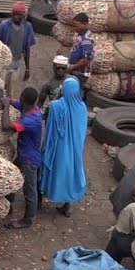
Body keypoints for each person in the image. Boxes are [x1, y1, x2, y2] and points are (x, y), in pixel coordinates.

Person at [40, 77, 87, 217]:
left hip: (58, 146)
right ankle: (67, 206)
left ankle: (39, 200)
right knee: (70, 172)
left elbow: (48, 125)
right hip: (75, 148)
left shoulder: (56, 106)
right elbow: (82, 130)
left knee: (51, 169)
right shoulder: (82, 108)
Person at [6, 87, 44, 230]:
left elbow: (6, 126)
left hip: (29, 160)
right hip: (24, 155)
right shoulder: (31, 108)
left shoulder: (31, 120)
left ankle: (28, 219)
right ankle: (9, 202)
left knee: (29, 190)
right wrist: (8, 100)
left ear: (25, 100)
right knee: (11, 174)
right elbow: (16, 103)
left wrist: (4, 107)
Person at [0, 1, 35, 86]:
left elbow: (27, 49)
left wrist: (27, 68)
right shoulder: (4, 25)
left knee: (11, 90)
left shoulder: (27, 27)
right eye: (14, 14)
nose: (15, 17)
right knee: (1, 87)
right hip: (3, 64)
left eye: (18, 15)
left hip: (16, 63)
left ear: (23, 16)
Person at [67, 12, 94, 79]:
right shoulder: (80, 35)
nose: (74, 27)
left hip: (80, 73)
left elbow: (86, 59)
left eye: (76, 25)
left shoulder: (86, 39)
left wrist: (72, 68)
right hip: (75, 70)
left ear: (84, 23)